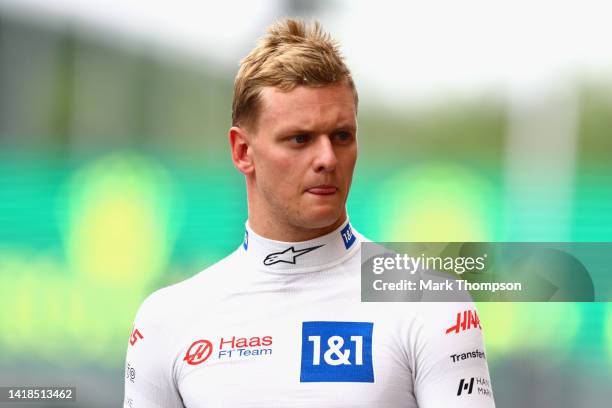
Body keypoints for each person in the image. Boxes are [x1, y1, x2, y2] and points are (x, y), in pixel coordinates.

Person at [124, 18, 495, 407]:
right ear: (242, 151)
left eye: (342, 136)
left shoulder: (431, 304)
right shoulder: (166, 320)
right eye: (299, 139)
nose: (327, 158)